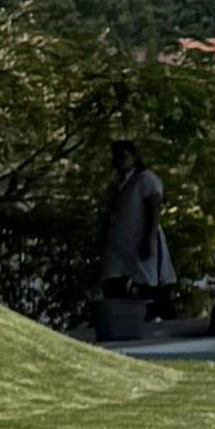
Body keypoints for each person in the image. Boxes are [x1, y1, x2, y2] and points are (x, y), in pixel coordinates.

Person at [92, 139, 170, 341]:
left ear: (135, 157)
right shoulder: (116, 184)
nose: (119, 161)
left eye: (124, 156)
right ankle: (120, 325)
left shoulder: (146, 179)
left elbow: (154, 210)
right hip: (118, 243)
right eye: (116, 157)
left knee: (146, 285)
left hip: (140, 240)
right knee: (113, 283)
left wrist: (148, 240)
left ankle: (155, 324)